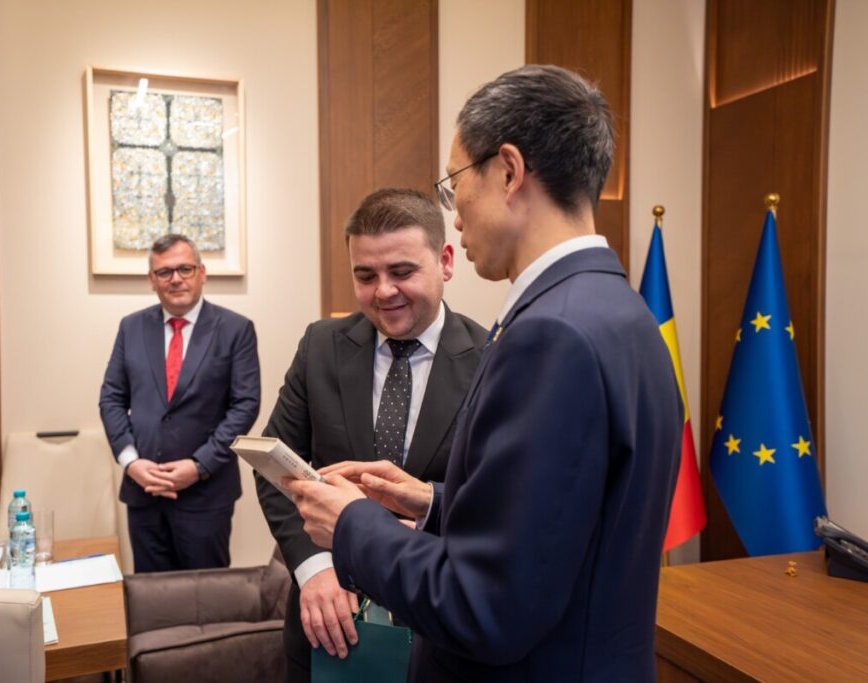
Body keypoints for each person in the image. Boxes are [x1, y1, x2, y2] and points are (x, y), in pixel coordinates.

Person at [287, 65, 683, 681]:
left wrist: (352, 525)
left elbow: (486, 606)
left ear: (508, 171)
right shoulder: (623, 311)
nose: (456, 216)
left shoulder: (550, 335)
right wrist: (432, 503)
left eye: (454, 185)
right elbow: (560, 526)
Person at [256, 188, 488, 682]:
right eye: (365, 276)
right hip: (329, 627)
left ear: (445, 262)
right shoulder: (321, 345)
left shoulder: (491, 358)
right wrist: (315, 568)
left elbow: (495, 500)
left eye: (402, 272)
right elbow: (276, 468)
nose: (383, 291)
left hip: (439, 631)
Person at [100, 234, 260, 572]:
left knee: (208, 594)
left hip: (206, 495)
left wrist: (199, 466)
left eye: (185, 269)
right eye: (164, 272)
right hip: (144, 492)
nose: (175, 279)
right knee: (149, 596)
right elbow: (111, 397)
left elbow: (245, 406)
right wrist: (131, 462)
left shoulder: (235, 329)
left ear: (202, 272)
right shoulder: (131, 327)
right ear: (152, 280)